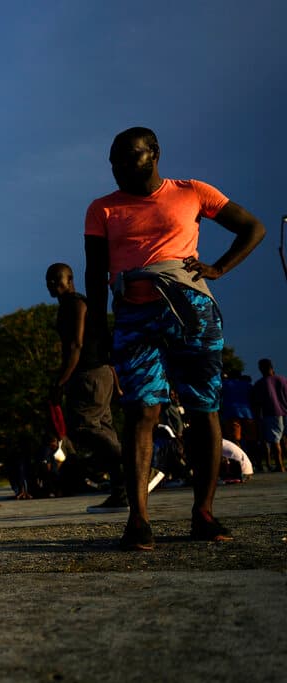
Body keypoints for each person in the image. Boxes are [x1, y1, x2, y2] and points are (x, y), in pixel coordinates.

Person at [84, 126, 265, 550]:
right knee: (141, 410)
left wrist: (218, 268)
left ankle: (203, 512)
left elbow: (252, 228)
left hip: (191, 314)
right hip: (133, 315)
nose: (121, 168)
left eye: (130, 157)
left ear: (155, 154)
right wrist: (98, 330)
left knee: (204, 409)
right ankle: (139, 520)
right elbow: (94, 274)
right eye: (114, 162)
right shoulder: (101, 209)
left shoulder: (192, 192)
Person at [46, 262, 128, 513]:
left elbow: (76, 346)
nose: (52, 285)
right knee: (103, 427)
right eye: (48, 281)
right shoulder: (68, 305)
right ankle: (121, 491)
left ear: (69, 280)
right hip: (95, 374)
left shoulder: (76, 304)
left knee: (83, 427)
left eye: (56, 280)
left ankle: (133, 470)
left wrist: (60, 382)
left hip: (90, 374)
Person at [250, 359, 287, 473]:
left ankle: (279, 465)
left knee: (274, 440)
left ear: (261, 368)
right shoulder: (283, 380)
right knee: (283, 439)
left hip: (272, 413)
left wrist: (257, 417)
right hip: (285, 411)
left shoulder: (261, 383)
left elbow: (257, 402)